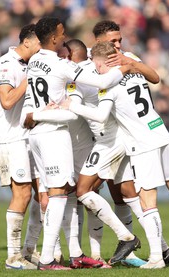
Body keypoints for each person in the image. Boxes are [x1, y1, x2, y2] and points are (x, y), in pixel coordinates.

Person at [62, 41, 169, 268]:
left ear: (101, 63)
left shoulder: (110, 84)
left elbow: (101, 114)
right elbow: (154, 77)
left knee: (146, 199)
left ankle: (157, 256)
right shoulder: (135, 71)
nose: (96, 71)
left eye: (97, 67)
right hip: (161, 131)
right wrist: (132, 63)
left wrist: (71, 105)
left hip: (142, 140)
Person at [21, 17, 141, 270]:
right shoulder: (61, 64)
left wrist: (34, 115)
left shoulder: (33, 61)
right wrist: (125, 67)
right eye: (62, 34)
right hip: (54, 132)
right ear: (53, 38)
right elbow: (103, 82)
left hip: (36, 135)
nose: (64, 37)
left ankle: (75, 254)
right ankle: (47, 260)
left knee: (65, 192)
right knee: (58, 194)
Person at [0, 23, 41, 270]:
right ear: (28, 42)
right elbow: (7, 100)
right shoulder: (7, 63)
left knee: (41, 194)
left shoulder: (31, 63)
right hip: (10, 138)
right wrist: (29, 80)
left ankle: (29, 251)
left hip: (29, 137)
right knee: (21, 194)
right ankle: (13, 257)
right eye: (41, 43)